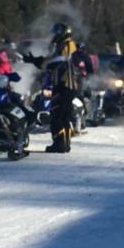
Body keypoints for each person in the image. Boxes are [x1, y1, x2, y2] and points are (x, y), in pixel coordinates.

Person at [23, 22, 79, 153]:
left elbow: (58, 61)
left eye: (57, 33)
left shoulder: (67, 45)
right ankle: (64, 144)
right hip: (65, 85)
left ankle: (59, 144)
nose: (54, 35)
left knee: (57, 115)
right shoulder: (63, 45)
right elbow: (51, 60)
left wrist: (41, 62)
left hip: (64, 84)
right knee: (64, 115)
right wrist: (34, 60)